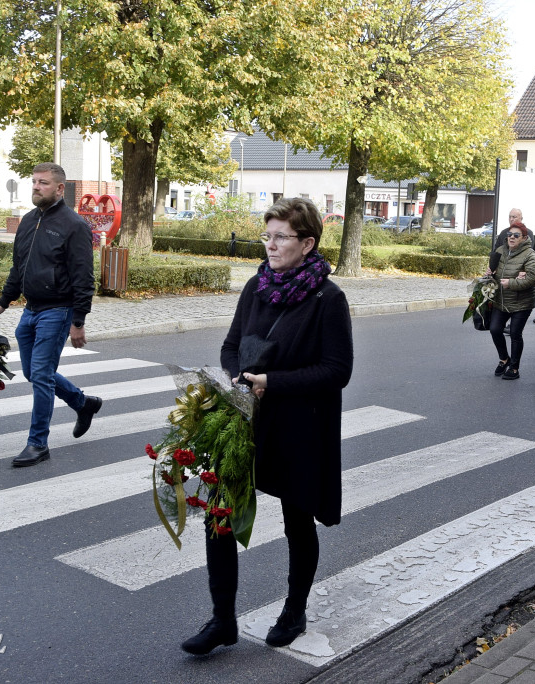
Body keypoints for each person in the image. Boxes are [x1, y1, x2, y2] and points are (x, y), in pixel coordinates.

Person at [184, 198, 353, 655]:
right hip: (248, 420)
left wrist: (271, 382)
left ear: (307, 243)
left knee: (297, 520)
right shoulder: (256, 286)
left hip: (298, 426)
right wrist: (239, 377)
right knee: (220, 513)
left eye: (281, 237)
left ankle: (294, 611)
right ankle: (222, 619)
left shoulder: (328, 299)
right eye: (268, 236)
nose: (271, 245)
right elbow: (230, 346)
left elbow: (337, 371)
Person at [0, 163, 101, 467]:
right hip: (31, 309)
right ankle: (82, 403)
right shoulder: (28, 221)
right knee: (35, 372)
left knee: (40, 375)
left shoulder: (74, 225)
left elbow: (84, 277)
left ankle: (38, 443)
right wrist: (2, 303)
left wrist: (78, 321)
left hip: (58, 311)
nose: (37, 187)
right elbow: (18, 268)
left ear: (60, 188)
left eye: (44, 183)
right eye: (35, 182)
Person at [486, 223, 535, 380]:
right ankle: (504, 359)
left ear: (523, 238)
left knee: (515, 334)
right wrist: (490, 273)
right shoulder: (500, 250)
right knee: (495, 329)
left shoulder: (529, 254)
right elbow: (493, 271)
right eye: (509, 234)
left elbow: (533, 277)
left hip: (521, 302)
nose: (511, 237)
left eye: (516, 235)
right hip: (501, 299)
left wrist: (511, 283)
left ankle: (514, 368)